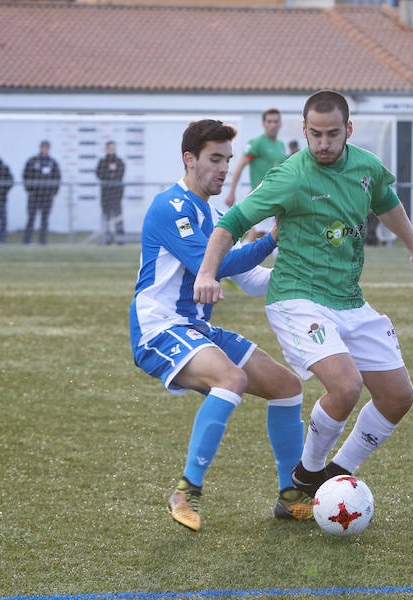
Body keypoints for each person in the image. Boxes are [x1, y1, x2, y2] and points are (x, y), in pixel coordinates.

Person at [192, 90, 413, 497]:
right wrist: (207, 272)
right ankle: (307, 473)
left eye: (332, 134)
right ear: (304, 131)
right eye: (315, 134)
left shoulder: (366, 166)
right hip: (297, 296)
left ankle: (338, 473)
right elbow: (230, 223)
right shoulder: (290, 175)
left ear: (348, 131)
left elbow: (388, 202)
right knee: (345, 386)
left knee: (397, 397)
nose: (323, 144)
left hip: (349, 299)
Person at [129, 119, 313, 531]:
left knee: (287, 387)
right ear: (189, 159)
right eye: (215, 159)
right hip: (159, 327)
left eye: (228, 160)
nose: (224, 169)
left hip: (196, 330)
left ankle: (290, 494)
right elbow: (213, 264)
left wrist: (304, 272)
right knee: (230, 378)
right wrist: (270, 239)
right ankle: (186, 491)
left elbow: (251, 281)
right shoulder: (170, 207)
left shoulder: (217, 214)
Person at [225, 108, 287, 243]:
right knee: (265, 234)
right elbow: (240, 167)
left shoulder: (281, 145)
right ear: (263, 124)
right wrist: (231, 192)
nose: (272, 124)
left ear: (280, 124)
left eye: (276, 121)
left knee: (265, 235)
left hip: (277, 197)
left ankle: (239, 258)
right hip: (262, 197)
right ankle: (236, 259)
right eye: (269, 121)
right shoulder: (257, 143)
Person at [22, 141, 61, 245]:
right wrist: (28, 189)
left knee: (45, 219)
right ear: (40, 148)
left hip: (47, 195)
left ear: (49, 149)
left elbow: (57, 177)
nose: (44, 150)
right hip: (34, 195)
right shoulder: (32, 161)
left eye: (46, 148)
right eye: (43, 148)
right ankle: (27, 241)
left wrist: (54, 191)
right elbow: (25, 175)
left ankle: (42, 241)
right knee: (31, 217)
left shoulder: (52, 162)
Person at [96, 141, 126, 245]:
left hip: (117, 194)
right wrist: (110, 173)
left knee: (118, 218)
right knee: (106, 217)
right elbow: (100, 174)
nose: (112, 150)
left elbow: (120, 174)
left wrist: (110, 174)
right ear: (106, 149)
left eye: (113, 148)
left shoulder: (119, 161)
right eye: (110, 148)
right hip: (105, 195)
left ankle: (120, 240)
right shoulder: (102, 162)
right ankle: (107, 239)